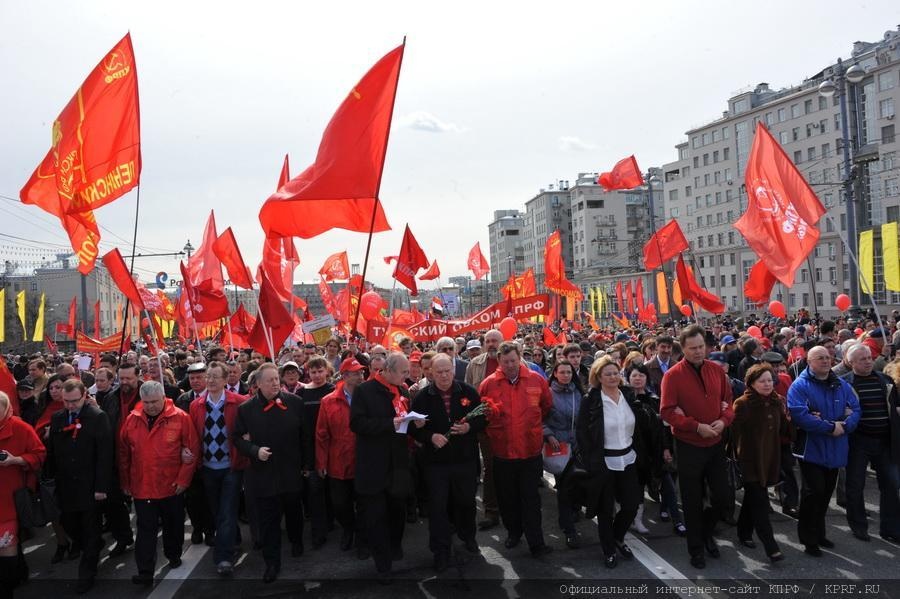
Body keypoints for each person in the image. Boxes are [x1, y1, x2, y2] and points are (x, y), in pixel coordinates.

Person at [660, 325, 734, 569]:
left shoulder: (716, 371)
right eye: (693, 348)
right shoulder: (672, 375)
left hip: (715, 443)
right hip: (689, 444)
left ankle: (706, 532)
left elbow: (728, 403)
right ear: (683, 348)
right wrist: (695, 426)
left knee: (722, 498)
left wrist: (723, 422)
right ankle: (696, 549)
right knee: (691, 501)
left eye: (701, 346)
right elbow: (667, 411)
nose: (698, 352)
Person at [233, 363, 310, 583]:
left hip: (291, 471)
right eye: (270, 380)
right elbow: (237, 438)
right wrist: (255, 450)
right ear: (258, 384)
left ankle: (296, 541)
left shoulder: (295, 403)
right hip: (263, 475)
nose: (276, 383)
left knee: (294, 512)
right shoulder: (246, 409)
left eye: (277, 379)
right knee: (269, 522)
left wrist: (307, 464)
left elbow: (305, 437)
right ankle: (272, 563)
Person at [410, 353, 485, 571]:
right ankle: (440, 551)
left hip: (465, 460)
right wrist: (430, 437)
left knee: (466, 503)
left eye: (447, 371)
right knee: (438, 508)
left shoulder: (468, 392)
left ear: (453, 371)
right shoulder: (422, 397)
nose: (444, 376)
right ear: (431, 373)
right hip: (436, 464)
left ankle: (468, 537)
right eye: (439, 372)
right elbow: (413, 428)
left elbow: (483, 418)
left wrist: (469, 427)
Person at [119, 381, 199, 586]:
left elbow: (192, 449)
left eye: (154, 401)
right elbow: (124, 454)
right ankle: (145, 571)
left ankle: (173, 554)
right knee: (145, 530)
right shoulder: (132, 420)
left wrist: (183, 480)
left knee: (173, 526)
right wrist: (125, 482)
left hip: (171, 485)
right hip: (142, 486)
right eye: (146, 402)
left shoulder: (181, 418)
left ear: (163, 397)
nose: (150, 406)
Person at [350, 352, 420, 583]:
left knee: (397, 510)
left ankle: (395, 545)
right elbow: (357, 423)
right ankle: (383, 564)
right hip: (373, 464)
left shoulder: (403, 391)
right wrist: (388, 424)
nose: (406, 377)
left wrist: (415, 422)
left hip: (398, 463)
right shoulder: (364, 391)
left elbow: (404, 422)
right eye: (403, 373)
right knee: (376, 515)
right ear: (388, 371)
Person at [480, 342, 553, 557]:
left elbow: (546, 406)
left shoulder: (536, 380)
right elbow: (483, 413)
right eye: (506, 362)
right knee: (507, 498)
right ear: (499, 362)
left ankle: (536, 542)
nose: (510, 365)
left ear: (519, 357)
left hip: (530, 451)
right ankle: (513, 533)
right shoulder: (489, 384)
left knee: (531, 498)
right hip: (502, 452)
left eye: (513, 360)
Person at [788, 345, 860, 556]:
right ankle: (808, 538)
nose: (826, 361)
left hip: (836, 448)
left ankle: (819, 533)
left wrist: (845, 425)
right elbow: (801, 415)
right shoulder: (799, 386)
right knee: (813, 493)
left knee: (825, 494)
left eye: (828, 357)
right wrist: (830, 427)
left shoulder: (841, 384)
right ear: (809, 362)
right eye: (820, 358)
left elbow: (855, 409)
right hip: (812, 449)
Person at [576, 356, 646, 568]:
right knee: (605, 511)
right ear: (598, 377)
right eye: (608, 374)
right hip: (603, 461)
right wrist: (591, 460)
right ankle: (608, 549)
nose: (613, 377)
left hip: (628, 459)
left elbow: (640, 425)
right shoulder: (591, 399)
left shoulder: (627, 394)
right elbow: (582, 432)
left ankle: (617, 537)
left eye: (616, 373)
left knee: (631, 505)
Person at [45, 380, 113, 593]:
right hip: (66, 486)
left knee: (90, 529)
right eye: (66, 401)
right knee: (70, 524)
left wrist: (101, 486)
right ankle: (90, 545)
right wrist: (49, 478)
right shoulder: (57, 419)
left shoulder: (97, 417)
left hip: (90, 485)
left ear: (84, 396)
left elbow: (104, 455)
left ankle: (87, 574)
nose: (71, 406)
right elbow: (53, 452)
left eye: (74, 401)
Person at [188, 361, 248, 576]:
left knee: (226, 512)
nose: (211, 380)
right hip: (207, 468)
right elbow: (193, 435)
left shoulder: (240, 403)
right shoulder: (196, 405)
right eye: (208, 376)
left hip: (231, 467)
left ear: (225, 380)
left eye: (215, 376)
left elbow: (247, 431)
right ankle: (235, 538)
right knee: (217, 511)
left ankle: (223, 557)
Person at [840, 344, 900, 542]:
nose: (867, 362)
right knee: (855, 485)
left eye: (869, 357)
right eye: (862, 359)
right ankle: (858, 526)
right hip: (858, 442)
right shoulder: (844, 384)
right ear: (851, 363)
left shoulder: (885, 380)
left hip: (885, 441)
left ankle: (890, 529)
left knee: (891, 484)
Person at [731, 365, 786, 563]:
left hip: (769, 459)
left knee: (752, 500)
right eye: (762, 381)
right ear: (751, 383)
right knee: (761, 502)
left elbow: (785, 431)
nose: (767, 384)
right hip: (748, 461)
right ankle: (771, 546)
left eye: (770, 380)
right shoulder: (743, 403)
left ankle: (743, 532)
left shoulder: (776, 401)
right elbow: (732, 434)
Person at [317, 358, 368, 558]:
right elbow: (322, 434)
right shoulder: (328, 401)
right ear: (345, 376)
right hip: (338, 461)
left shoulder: (367, 397)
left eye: (361, 372)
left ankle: (362, 539)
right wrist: (321, 462)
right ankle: (349, 528)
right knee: (340, 504)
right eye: (355, 373)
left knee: (365, 503)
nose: (360, 376)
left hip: (363, 461)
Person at [0, 391, 46, 595]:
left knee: (7, 546)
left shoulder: (20, 428)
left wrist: (16, 460)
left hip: (10, 498)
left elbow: (39, 454)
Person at [465, 329, 504, 530]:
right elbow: (468, 394)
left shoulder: (513, 361)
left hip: (508, 424)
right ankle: (491, 511)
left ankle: (510, 508)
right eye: (487, 341)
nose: (491, 344)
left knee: (510, 466)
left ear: (502, 342)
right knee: (490, 467)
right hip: (484, 425)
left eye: (494, 340)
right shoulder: (475, 364)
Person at [542, 360, 584, 547]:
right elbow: (539, 418)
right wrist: (549, 435)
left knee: (578, 485)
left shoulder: (579, 393)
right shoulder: (548, 394)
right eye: (563, 372)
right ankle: (568, 530)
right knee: (564, 489)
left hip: (578, 446)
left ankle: (575, 510)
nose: (566, 375)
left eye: (569, 372)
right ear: (555, 374)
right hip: (559, 447)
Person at [299, 356, 335, 548]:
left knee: (332, 489)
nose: (317, 375)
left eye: (320, 371)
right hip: (310, 448)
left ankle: (331, 521)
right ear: (308, 373)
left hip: (331, 446)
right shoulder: (301, 393)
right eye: (313, 372)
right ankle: (318, 532)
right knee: (315, 491)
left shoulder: (334, 391)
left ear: (327, 371)